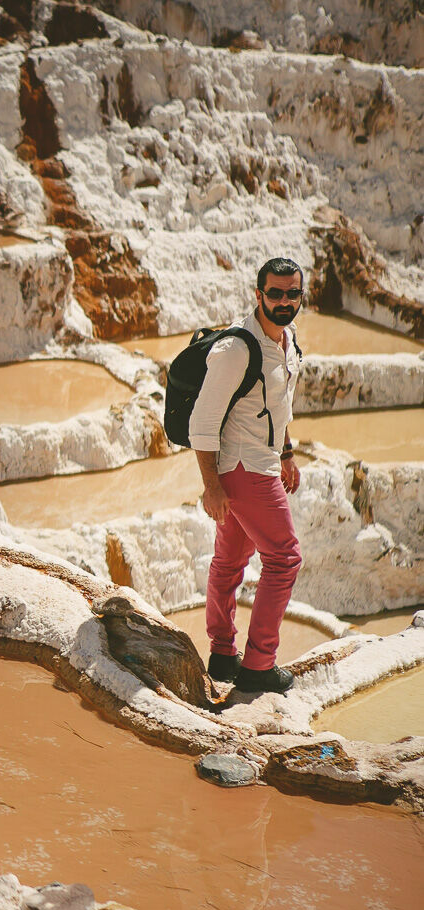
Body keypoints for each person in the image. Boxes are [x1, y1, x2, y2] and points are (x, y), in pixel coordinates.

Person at [192, 258, 304, 694]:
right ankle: (259, 665)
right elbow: (202, 423)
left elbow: (278, 406)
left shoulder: (286, 341)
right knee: (285, 559)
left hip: (262, 461)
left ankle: (222, 655)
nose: (283, 301)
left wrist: (288, 453)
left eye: (291, 293)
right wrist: (211, 487)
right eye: (274, 293)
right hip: (244, 469)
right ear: (257, 294)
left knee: (231, 560)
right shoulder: (236, 349)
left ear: (300, 296)